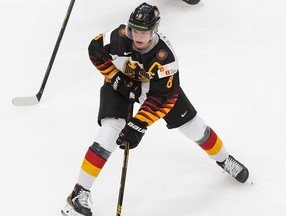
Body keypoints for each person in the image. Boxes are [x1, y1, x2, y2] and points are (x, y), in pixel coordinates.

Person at [61, 2, 249, 216]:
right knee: (108, 133)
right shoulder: (118, 36)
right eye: (135, 30)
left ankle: (224, 159)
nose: (138, 36)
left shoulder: (165, 58)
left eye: (145, 32)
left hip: (157, 91)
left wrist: (139, 123)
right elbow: (95, 50)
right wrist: (114, 78)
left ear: (155, 30)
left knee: (195, 127)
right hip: (121, 84)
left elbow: (163, 98)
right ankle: (79, 192)